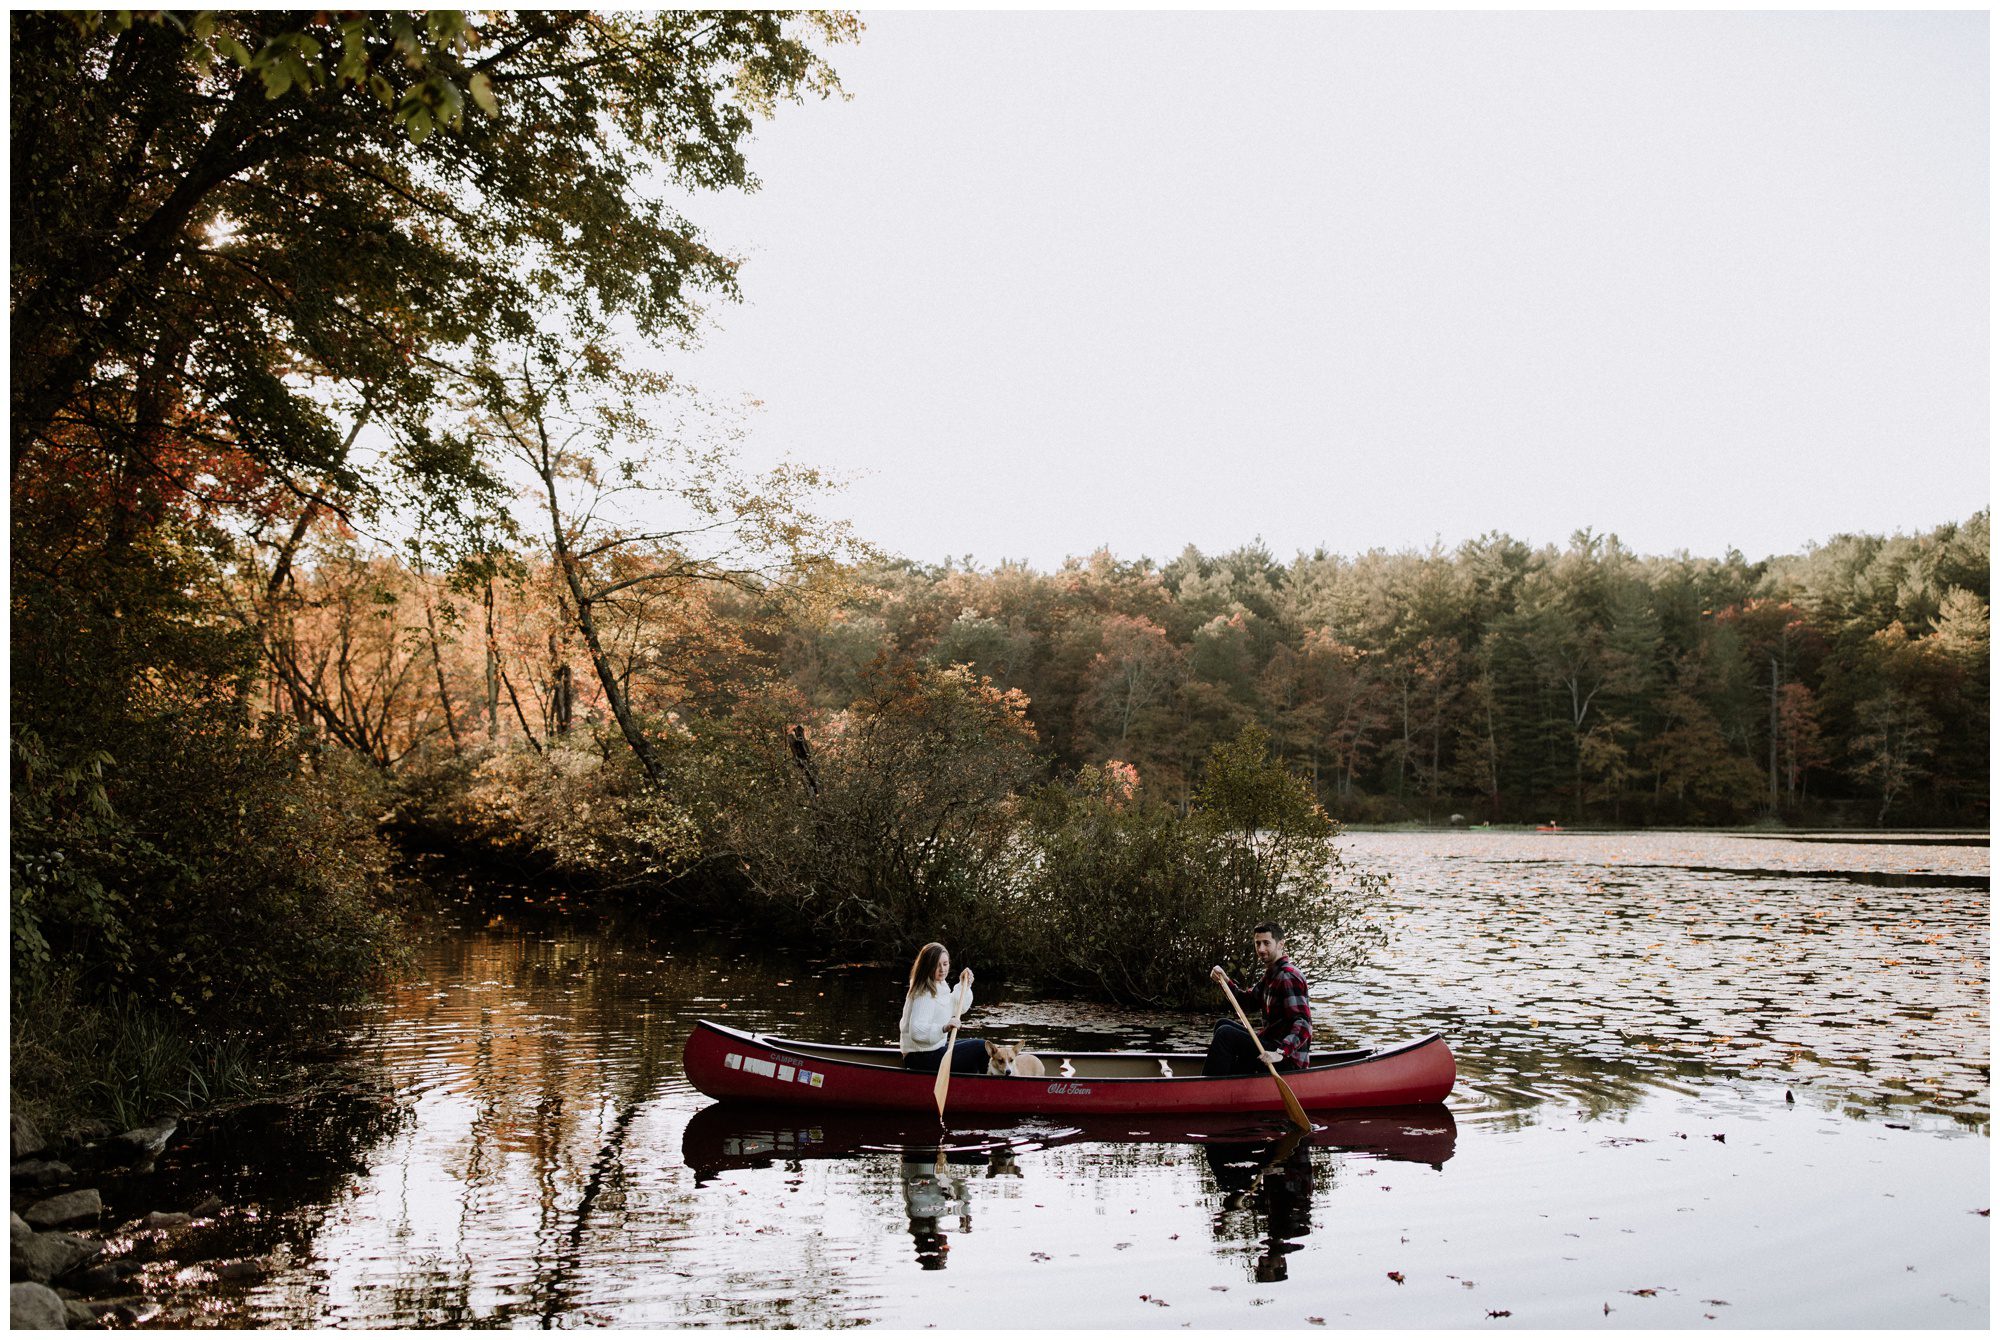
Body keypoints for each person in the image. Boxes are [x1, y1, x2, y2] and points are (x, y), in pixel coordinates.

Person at [1204, 921, 1312, 1077]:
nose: (1261, 949)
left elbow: (1303, 1023)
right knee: (1223, 1024)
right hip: (1269, 1049)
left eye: (1266, 943)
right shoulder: (1271, 974)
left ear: (1280, 944)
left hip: (1285, 1060)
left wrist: (1280, 1052)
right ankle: (1227, 1078)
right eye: (1258, 943)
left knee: (1225, 1034)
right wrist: (1225, 981)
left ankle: (1208, 1089)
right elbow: (1247, 1002)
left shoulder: (1288, 976)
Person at [898, 942, 986, 1075]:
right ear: (927, 966)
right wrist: (943, 1028)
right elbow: (916, 1031)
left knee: (977, 1048)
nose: (942, 969)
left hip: (932, 1049)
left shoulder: (938, 984)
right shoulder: (923, 992)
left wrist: (964, 985)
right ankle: (989, 1087)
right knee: (981, 1047)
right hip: (920, 1057)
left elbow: (957, 1008)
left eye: (945, 964)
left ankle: (972, 1086)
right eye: (936, 965)